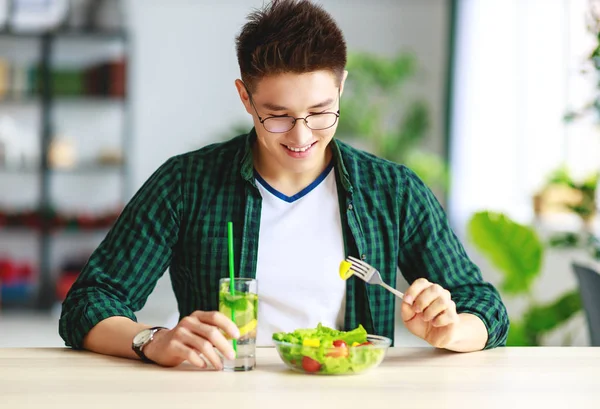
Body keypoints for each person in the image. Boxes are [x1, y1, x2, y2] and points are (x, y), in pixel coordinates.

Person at [59, 0, 509, 370]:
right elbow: (90, 303)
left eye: (319, 112)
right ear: (245, 97)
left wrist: (451, 329)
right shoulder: (186, 183)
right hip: (221, 394)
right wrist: (150, 340)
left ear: (342, 88)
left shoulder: (393, 192)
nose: (301, 136)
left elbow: (484, 307)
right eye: (277, 115)